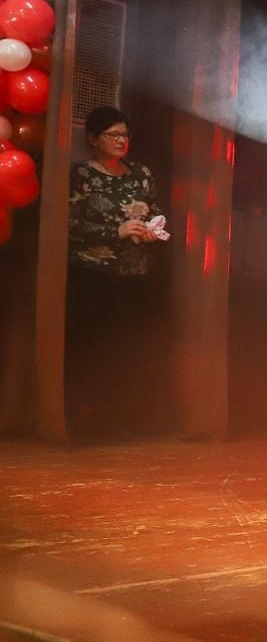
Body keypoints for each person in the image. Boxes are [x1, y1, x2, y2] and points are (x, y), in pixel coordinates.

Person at [66, 106, 168, 440]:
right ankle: (89, 421)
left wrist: (153, 229)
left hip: (134, 277)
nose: (121, 141)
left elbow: (157, 212)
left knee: (130, 350)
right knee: (95, 350)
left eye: (125, 134)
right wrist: (117, 231)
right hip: (93, 278)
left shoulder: (140, 173)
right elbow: (68, 224)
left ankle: (127, 419)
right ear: (93, 139)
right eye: (113, 135)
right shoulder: (79, 175)